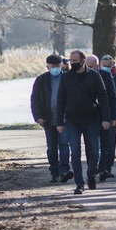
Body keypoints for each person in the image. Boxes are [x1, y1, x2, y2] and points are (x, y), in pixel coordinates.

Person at [56, 50, 111, 194]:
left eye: (75, 60)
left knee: (93, 151)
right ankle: (79, 183)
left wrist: (106, 119)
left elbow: (103, 98)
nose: (72, 63)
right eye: (71, 60)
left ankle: (91, 173)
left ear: (83, 61)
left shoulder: (94, 76)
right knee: (75, 152)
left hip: (91, 119)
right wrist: (59, 122)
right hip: (72, 120)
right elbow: (60, 99)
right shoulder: (66, 78)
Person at [30, 54, 73, 184]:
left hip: (65, 119)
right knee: (52, 147)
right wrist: (37, 116)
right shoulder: (41, 80)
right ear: (47, 66)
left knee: (64, 144)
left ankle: (64, 170)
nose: (55, 68)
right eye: (52, 66)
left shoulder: (67, 78)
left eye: (57, 66)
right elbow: (34, 99)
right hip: (48, 119)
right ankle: (54, 172)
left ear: (61, 65)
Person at [85, 54, 116, 182]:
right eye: (87, 66)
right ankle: (92, 169)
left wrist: (114, 117)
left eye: (91, 67)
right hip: (89, 116)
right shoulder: (81, 76)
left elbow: (112, 97)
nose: (89, 69)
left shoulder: (105, 76)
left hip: (104, 115)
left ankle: (104, 169)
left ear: (97, 66)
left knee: (105, 144)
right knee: (91, 145)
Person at [101, 54, 116, 178]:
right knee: (100, 144)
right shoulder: (97, 77)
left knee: (110, 144)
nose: (106, 68)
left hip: (113, 117)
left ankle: (107, 168)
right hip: (99, 117)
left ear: (112, 66)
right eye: (103, 66)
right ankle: (100, 167)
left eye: (108, 66)